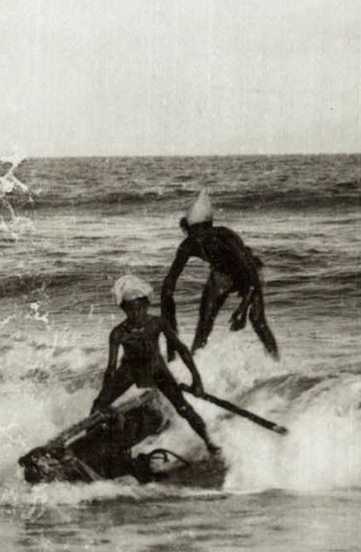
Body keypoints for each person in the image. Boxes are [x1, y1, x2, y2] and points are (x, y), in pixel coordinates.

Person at [94, 274, 220, 455]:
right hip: (130, 370)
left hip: (156, 368)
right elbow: (111, 369)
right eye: (130, 310)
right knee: (98, 404)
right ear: (124, 310)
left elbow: (182, 349)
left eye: (139, 309)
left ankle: (210, 443)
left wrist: (197, 381)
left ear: (146, 306)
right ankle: (90, 443)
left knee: (183, 407)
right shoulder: (118, 333)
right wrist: (106, 395)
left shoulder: (157, 323)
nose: (135, 314)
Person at [160, 192, 279, 360]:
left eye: (204, 232)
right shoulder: (189, 244)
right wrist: (167, 297)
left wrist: (242, 309)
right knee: (204, 323)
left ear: (210, 227)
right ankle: (195, 368)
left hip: (248, 273)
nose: (200, 238)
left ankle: (275, 364)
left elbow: (250, 272)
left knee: (257, 320)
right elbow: (170, 279)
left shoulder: (225, 237)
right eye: (194, 233)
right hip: (221, 274)